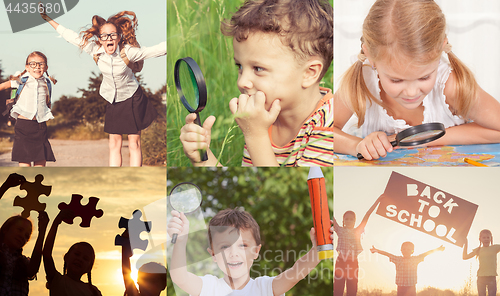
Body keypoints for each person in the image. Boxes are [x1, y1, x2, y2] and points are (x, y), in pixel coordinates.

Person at [334, 0, 500, 160]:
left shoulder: (451, 86)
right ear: (370, 56)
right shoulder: (361, 82)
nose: (412, 92)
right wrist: (358, 145)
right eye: (396, 80)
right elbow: (318, 133)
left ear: (441, 49)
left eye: (424, 77)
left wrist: (426, 138)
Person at [179, 0, 333, 167]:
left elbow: (274, 191)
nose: (242, 81)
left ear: (309, 73)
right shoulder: (262, 116)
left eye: (258, 68)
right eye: (239, 66)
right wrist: (204, 156)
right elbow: (253, 190)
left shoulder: (326, 125)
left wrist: (256, 135)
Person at [167, 207, 333, 296]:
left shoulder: (263, 288)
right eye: (225, 247)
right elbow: (179, 276)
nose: (233, 254)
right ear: (213, 254)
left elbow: (295, 273)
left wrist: (317, 250)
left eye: (243, 245)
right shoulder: (209, 287)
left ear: (256, 251)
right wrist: (180, 241)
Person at [40, 5, 166, 166]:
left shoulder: (128, 52)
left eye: (112, 35)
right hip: (112, 99)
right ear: (99, 39)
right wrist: (48, 19)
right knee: (114, 143)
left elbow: (158, 49)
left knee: (134, 143)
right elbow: (71, 37)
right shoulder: (95, 50)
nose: (109, 38)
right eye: (104, 36)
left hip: (132, 98)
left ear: (119, 37)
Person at [42, 209, 108, 296]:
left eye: (85, 258)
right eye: (77, 254)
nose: (80, 259)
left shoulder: (92, 290)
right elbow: (46, 254)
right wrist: (56, 222)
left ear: (89, 268)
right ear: (66, 257)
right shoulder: (57, 281)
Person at [0, 173, 48, 296]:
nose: (23, 236)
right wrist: (5, 186)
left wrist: (42, 232)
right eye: (20, 230)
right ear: (5, 230)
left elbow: (33, 269)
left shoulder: (24, 262)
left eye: (27, 235)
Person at [371, 241, 444, 296]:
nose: (406, 251)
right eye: (404, 249)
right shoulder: (397, 259)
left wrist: (438, 249)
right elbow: (387, 254)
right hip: (401, 287)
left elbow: (426, 253)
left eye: (408, 249)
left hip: (411, 287)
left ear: (412, 251)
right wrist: (376, 250)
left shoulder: (415, 259)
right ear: (401, 250)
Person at [0, 52, 57, 166]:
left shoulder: (47, 83)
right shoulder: (21, 81)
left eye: (41, 64)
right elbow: (4, 85)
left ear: (46, 67)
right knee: (24, 160)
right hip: (23, 126)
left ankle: (36, 183)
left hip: (40, 126)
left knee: (41, 160)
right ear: (27, 67)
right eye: (33, 64)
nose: (37, 67)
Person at [334, 195, 382, 296]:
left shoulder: (358, 231)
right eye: (347, 219)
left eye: (351, 219)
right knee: (337, 293)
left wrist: (377, 200)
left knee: (351, 293)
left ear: (355, 221)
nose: (349, 221)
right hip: (340, 263)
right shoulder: (339, 230)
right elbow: (329, 215)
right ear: (343, 220)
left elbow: (367, 215)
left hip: (353, 264)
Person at [119, 229, 166, 296]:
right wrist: (125, 245)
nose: (147, 286)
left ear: (163, 285)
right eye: (144, 281)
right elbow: (126, 273)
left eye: (152, 281)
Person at [463, 230, 500, 296]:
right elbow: (465, 257)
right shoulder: (478, 250)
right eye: (484, 237)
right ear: (480, 239)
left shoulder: (495, 248)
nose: (486, 239)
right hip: (481, 279)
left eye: (488, 237)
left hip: (492, 278)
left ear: (491, 238)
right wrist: (466, 243)